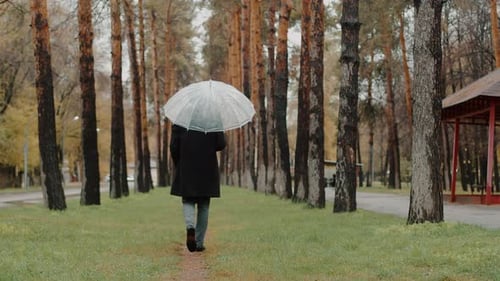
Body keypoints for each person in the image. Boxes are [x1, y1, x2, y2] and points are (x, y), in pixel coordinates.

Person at [170, 124, 226, 252]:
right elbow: (221, 144)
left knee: (187, 200)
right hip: (207, 166)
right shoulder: (213, 119)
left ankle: (190, 227)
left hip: (186, 164)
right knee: (204, 204)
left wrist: (178, 163)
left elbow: (173, 146)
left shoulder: (181, 120)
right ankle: (199, 243)